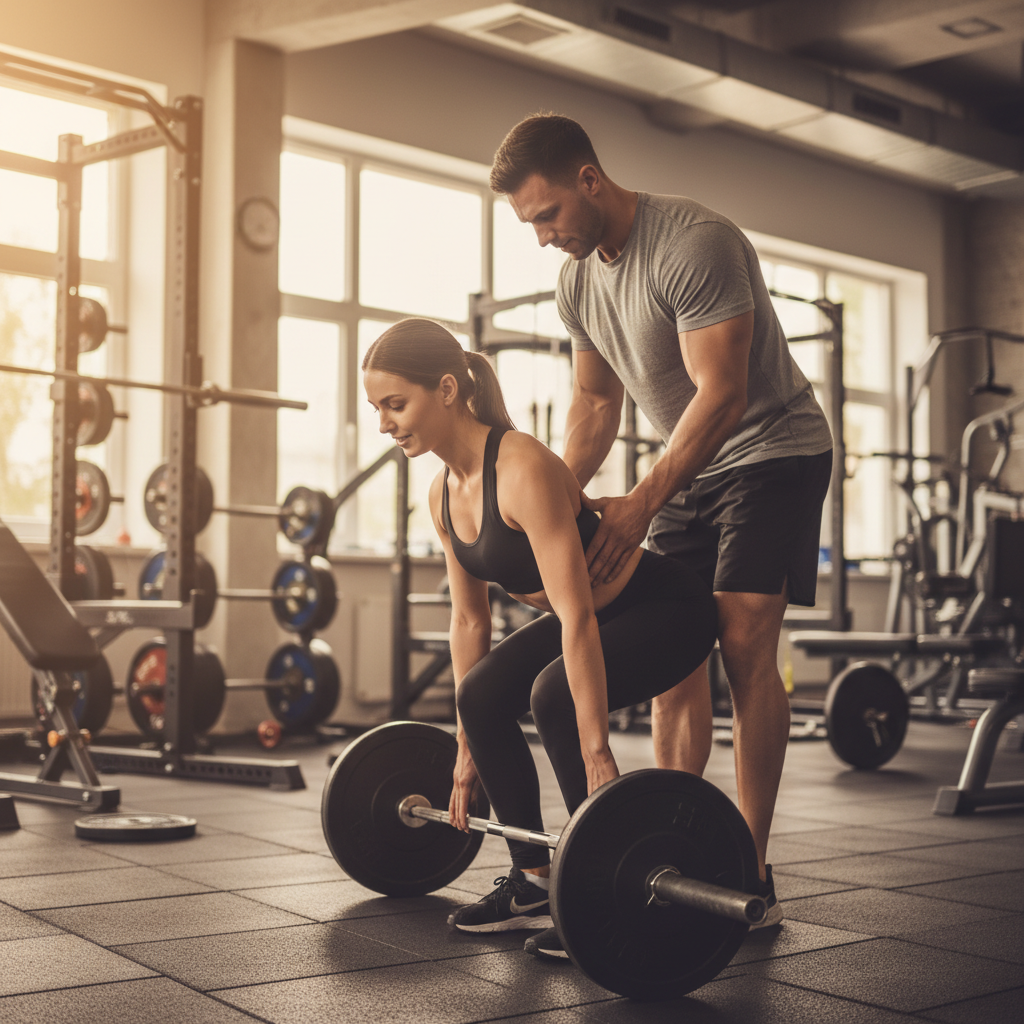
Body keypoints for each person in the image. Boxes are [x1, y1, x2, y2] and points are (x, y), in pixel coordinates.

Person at [489, 114, 834, 944]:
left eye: (547, 215)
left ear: (589, 180)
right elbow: (595, 403)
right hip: (688, 467)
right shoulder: (578, 282)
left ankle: (749, 866)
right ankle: (684, 847)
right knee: (679, 652)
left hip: (772, 453)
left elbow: (724, 394)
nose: (542, 237)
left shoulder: (694, 243)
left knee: (743, 642)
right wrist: (554, 502)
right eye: (529, 223)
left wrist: (642, 501)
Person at [362, 318, 718, 961]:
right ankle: (532, 881)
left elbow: (576, 617)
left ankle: (603, 883)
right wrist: (466, 748)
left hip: (667, 608)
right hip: (597, 616)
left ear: (446, 390)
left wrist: (597, 750)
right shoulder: (443, 494)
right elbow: (469, 622)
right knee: (479, 694)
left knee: (553, 694)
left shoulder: (521, 466)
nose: (385, 423)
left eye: (395, 404)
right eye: (377, 409)